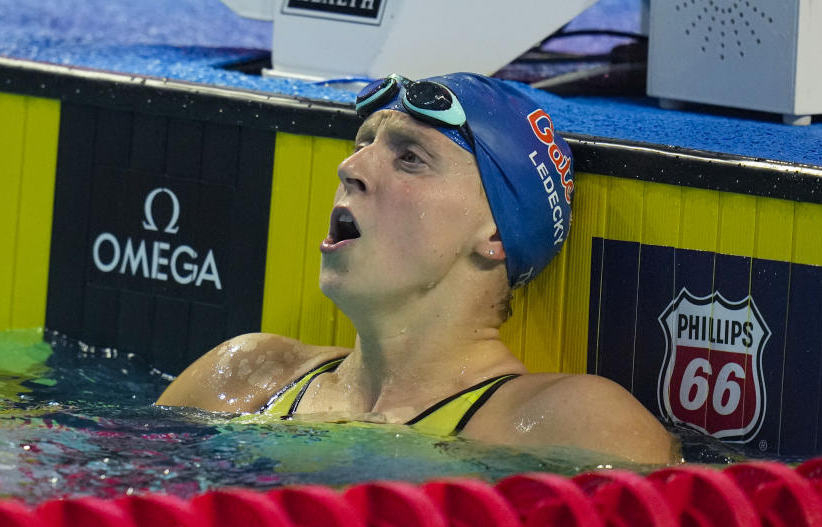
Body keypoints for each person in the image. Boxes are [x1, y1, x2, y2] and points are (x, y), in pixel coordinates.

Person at [157, 73, 676, 464]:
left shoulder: (570, 424)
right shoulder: (248, 375)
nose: (350, 167)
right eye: (364, 144)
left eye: (410, 158)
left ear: (496, 233)